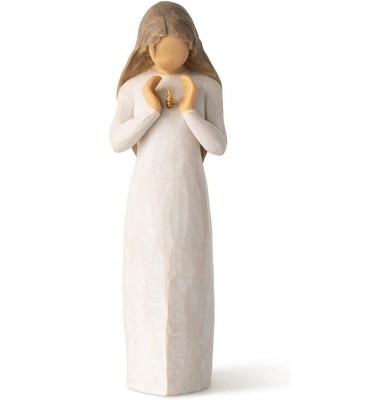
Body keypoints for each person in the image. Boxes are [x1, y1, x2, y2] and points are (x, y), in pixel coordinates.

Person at [109, 1, 227, 395]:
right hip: (146, 197)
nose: (171, 59)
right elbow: (117, 141)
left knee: (189, 275)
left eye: (179, 51)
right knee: (146, 277)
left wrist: (190, 109)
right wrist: (149, 111)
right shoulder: (133, 88)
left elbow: (218, 145)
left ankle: (191, 372)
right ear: (147, 47)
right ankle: (145, 372)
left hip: (189, 192)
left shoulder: (206, 86)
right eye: (163, 51)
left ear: (192, 47)